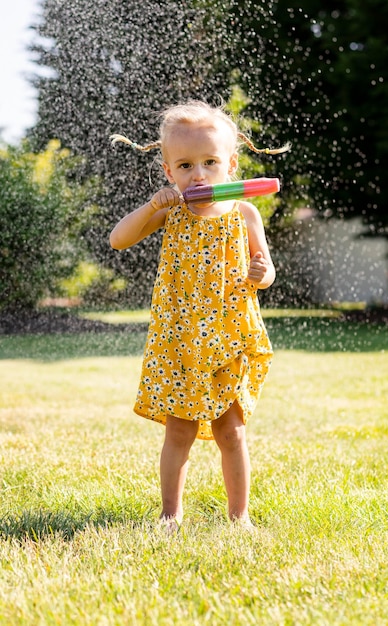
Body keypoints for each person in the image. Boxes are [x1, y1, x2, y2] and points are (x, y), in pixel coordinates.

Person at [109, 100, 290, 530]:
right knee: (179, 432)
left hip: (229, 337)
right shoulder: (171, 211)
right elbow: (118, 240)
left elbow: (265, 272)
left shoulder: (245, 212)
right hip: (182, 340)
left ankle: (239, 517)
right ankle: (169, 515)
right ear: (169, 172)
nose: (199, 174)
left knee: (231, 432)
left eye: (210, 162)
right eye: (186, 165)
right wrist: (153, 206)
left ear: (231, 164)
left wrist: (263, 273)